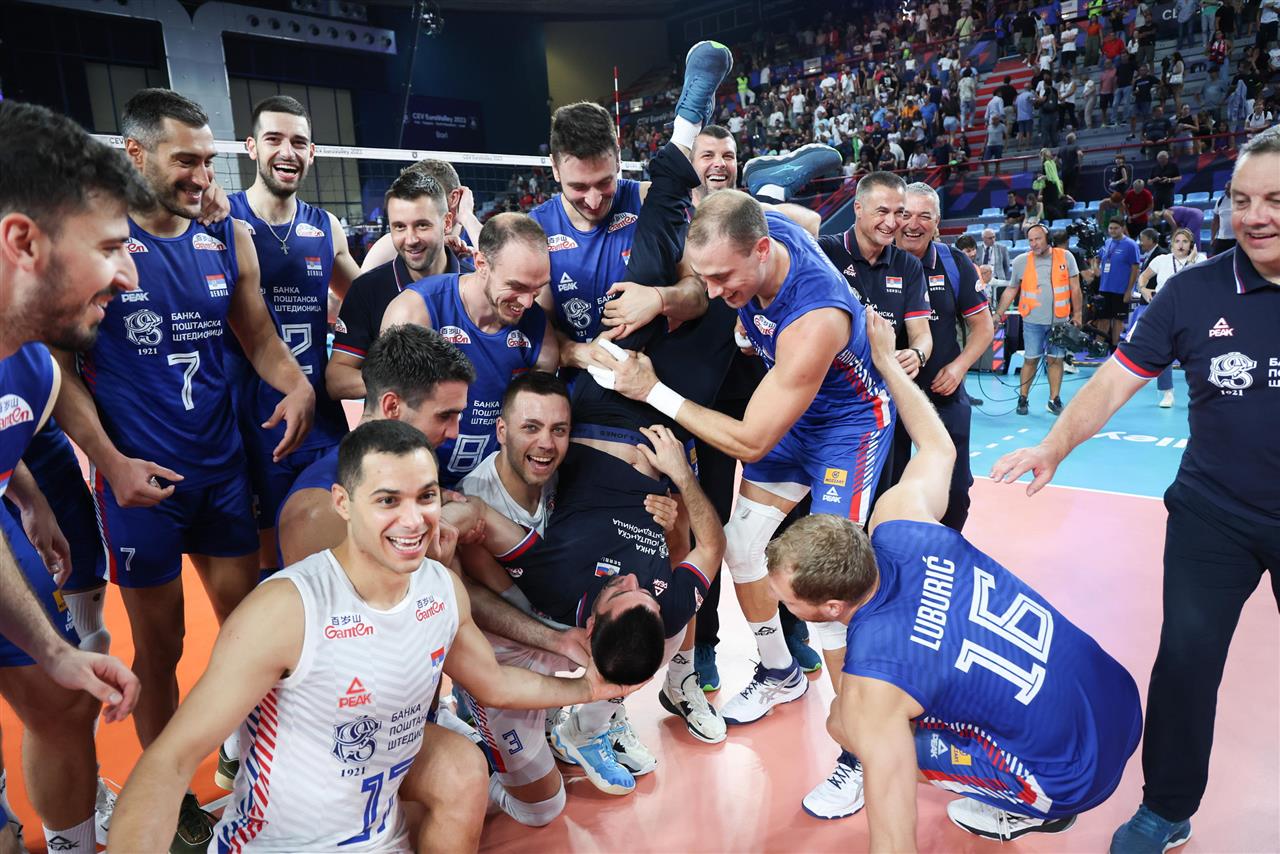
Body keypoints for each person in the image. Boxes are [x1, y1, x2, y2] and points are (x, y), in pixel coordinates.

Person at [109, 419, 639, 852]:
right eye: (388, 500)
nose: (413, 520)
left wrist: (586, 688)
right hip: (284, 845)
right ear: (343, 503)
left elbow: (495, 684)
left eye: (426, 497)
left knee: (463, 765)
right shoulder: (285, 610)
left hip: (384, 838)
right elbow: (169, 762)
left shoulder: (441, 590)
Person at [991, 127, 1280, 854]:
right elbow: (1116, 379)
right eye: (1243, 200)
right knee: (1185, 661)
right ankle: (1167, 809)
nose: (1255, 217)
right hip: (1214, 515)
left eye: (1275, 200)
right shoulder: (1193, 293)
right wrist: (1055, 444)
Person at [48, 88, 314, 848]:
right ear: (135, 154)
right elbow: (55, 368)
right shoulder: (100, 239)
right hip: (141, 489)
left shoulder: (225, 235)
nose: (202, 177)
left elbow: (257, 334)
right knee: (160, 649)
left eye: (208, 160)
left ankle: (255, 766)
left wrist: (295, 383)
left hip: (223, 474)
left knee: (250, 636)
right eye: (185, 160)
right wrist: (111, 463)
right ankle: (170, 798)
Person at [771, 310, 1142, 848]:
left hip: (1073, 777)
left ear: (830, 608)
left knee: (844, 723)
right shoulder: (898, 521)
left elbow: (894, 843)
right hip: (1117, 697)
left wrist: (875, 734)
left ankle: (1027, 809)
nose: (783, 604)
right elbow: (938, 447)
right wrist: (886, 362)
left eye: (787, 601)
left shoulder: (874, 679)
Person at [599, 188, 895, 814]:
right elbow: (802, 218)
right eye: (703, 276)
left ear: (763, 250)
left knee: (826, 583)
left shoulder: (816, 318)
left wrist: (655, 393)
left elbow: (750, 439)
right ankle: (780, 671)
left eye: (722, 278)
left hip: (845, 428)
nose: (711, 291)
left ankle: (860, 752)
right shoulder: (765, 224)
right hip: (791, 416)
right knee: (742, 544)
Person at [0, 99, 146, 854]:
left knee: (61, 701)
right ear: (24, 242)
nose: (128, 276)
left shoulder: (30, 364)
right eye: (112, 247)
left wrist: (25, 494)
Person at [226, 95, 361, 579]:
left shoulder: (325, 227)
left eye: (299, 142)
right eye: (274, 140)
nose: (288, 152)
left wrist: (442, 272)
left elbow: (368, 300)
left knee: (337, 554)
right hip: (252, 423)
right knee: (269, 566)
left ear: (312, 152)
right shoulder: (221, 221)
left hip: (321, 424)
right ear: (251, 147)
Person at [380, 213, 558, 486]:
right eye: (517, 286)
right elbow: (387, 419)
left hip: (495, 480)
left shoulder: (536, 327)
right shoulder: (416, 311)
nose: (527, 302)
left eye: (537, 289)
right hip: (418, 479)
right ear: (481, 264)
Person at [893, 183, 994, 530]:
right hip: (886, 396)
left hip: (942, 391)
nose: (913, 224)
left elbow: (983, 327)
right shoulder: (877, 261)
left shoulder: (954, 263)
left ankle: (947, 549)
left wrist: (958, 367)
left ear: (937, 223)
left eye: (925, 216)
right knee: (884, 482)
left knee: (955, 488)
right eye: (906, 214)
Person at [327, 165, 469, 401]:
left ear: (447, 223)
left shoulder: (475, 284)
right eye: (399, 227)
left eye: (422, 225)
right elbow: (336, 380)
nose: (410, 239)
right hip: (398, 425)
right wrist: (404, 381)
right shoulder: (367, 290)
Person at [994, 223, 1083, 416]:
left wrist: (1077, 314)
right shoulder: (1021, 261)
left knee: (1056, 360)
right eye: (1030, 240)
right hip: (1032, 321)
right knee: (1030, 360)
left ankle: (1054, 400)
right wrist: (998, 314)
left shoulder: (1066, 257)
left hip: (1060, 322)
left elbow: (1075, 288)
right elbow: (1011, 289)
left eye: (1038, 239)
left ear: (1048, 239)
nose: (1034, 243)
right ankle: (1023, 398)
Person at [1135, 227, 1204, 407]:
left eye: (1185, 242)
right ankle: (1167, 393)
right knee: (1164, 351)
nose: (1181, 245)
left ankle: (1200, 391)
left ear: (1191, 245)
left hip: (1190, 312)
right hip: (1164, 311)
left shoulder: (1200, 260)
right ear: (1171, 244)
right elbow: (1143, 277)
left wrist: (1191, 260)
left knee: (1195, 353)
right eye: (1177, 241)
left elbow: (1197, 280)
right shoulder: (1161, 260)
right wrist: (1144, 290)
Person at [1094, 218, 1142, 350]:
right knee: (1103, 319)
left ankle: (1116, 349)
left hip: (1121, 290)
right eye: (1110, 228)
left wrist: (1129, 290)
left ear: (1122, 228)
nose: (1112, 231)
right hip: (1104, 288)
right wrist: (1095, 268)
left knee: (1118, 320)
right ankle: (1098, 348)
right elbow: (1097, 258)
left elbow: (1135, 269)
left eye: (1116, 228)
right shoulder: (1107, 242)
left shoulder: (1131, 245)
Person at [1211, 179, 1236, 256]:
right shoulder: (1220, 200)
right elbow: (1215, 221)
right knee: (1216, 260)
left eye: (1229, 189)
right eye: (1225, 189)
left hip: (1237, 239)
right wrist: (1213, 238)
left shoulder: (1241, 201)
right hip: (1222, 238)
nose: (1226, 191)